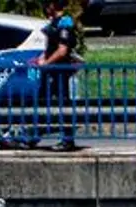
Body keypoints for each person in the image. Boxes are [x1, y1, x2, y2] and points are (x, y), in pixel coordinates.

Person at [34, 0, 81, 150]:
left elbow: (62, 51)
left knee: (62, 105)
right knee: (42, 102)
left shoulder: (64, 23)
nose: (46, 8)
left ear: (53, 5)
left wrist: (47, 63)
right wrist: (42, 58)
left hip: (60, 72)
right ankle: (34, 136)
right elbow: (51, 48)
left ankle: (67, 141)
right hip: (52, 71)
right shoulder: (54, 23)